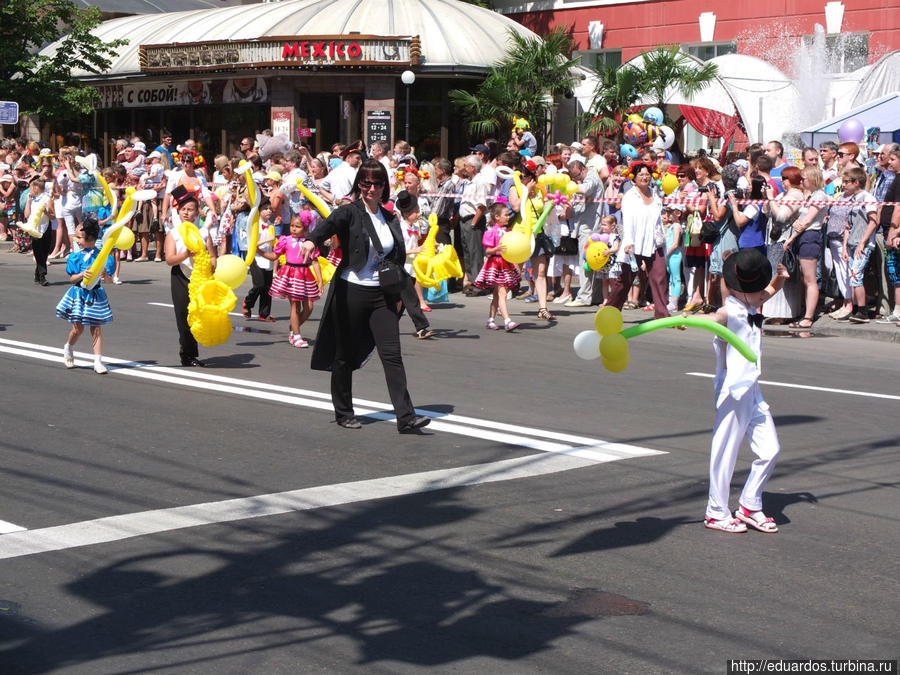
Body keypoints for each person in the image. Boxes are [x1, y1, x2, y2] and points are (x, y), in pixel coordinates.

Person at [300, 159, 430, 434]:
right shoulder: (350, 212)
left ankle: (406, 417)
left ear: (385, 187)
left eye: (377, 183)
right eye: (366, 183)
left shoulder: (390, 217)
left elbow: (396, 258)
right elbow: (330, 224)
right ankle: (344, 411)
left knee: (392, 354)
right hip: (351, 291)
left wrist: (397, 295)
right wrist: (311, 240)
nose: (371, 188)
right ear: (359, 184)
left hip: (381, 295)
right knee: (344, 354)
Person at [699, 248, 789, 533]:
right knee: (725, 451)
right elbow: (712, 320)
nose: (763, 292)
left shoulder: (751, 303)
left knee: (770, 449)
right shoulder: (728, 311)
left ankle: (749, 504)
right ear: (742, 289)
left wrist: (781, 277)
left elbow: (772, 290)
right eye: (757, 287)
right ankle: (716, 512)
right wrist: (685, 322)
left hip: (752, 389)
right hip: (732, 391)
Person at [606, 162, 670, 319]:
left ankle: (662, 314)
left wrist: (663, 239)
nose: (645, 177)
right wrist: (628, 243)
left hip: (653, 243)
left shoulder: (655, 195)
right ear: (634, 178)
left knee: (660, 277)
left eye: (647, 174)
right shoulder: (630, 197)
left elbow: (658, 221)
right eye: (641, 174)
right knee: (624, 281)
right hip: (633, 244)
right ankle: (609, 312)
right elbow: (627, 221)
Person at [164, 186, 218, 367]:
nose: (186, 213)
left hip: (200, 277)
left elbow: (212, 254)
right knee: (184, 316)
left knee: (198, 315)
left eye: (190, 210)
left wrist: (212, 266)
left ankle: (191, 352)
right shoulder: (173, 234)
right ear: (178, 211)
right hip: (180, 275)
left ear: (196, 213)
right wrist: (186, 254)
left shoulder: (203, 232)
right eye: (183, 209)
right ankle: (187, 354)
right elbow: (170, 260)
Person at [55, 216, 116, 374]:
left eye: (79, 237)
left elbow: (109, 281)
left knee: (96, 328)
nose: (76, 240)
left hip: (95, 294)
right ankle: (68, 346)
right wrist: (83, 273)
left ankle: (98, 361)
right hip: (79, 294)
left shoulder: (102, 257)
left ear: (90, 238)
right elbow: (71, 279)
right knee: (78, 329)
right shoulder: (76, 257)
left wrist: (105, 276)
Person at [263, 211, 322, 346]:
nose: (294, 229)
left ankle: (293, 327)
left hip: (305, 274)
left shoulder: (309, 243)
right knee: (295, 305)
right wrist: (259, 251)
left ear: (306, 228)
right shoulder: (286, 240)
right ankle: (296, 335)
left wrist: (320, 281)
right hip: (290, 273)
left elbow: (315, 261)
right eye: (292, 226)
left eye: (298, 226)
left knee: (309, 308)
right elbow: (274, 256)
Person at [781, 166, 828, 327]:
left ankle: (808, 316)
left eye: (804, 178)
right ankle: (804, 313)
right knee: (803, 277)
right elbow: (800, 219)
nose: (801, 181)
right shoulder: (810, 195)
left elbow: (807, 221)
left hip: (810, 236)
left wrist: (791, 238)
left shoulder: (820, 195)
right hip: (802, 236)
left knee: (810, 279)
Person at [564, 154, 603, 307]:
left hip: (590, 226)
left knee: (586, 261)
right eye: (574, 178)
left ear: (583, 168)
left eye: (578, 175)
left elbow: (586, 189)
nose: (577, 179)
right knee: (593, 262)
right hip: (585, 224)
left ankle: (584, 296)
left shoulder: (591, 177)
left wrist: (568, 186)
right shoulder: (584, 178)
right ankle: (595, 295)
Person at [841, 166, 880, 323]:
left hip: (862, 245)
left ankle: (863, 312)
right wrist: (844, 246)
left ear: (856, 182)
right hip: (851, 244)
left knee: (856, 276)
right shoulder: (851, 200)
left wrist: (863, 243)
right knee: (852, 278)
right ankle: (857, 308)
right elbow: (847, 226)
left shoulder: (867, 198)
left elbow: (874, 220)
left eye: (846, 182)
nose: (843, 185)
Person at [395, 190, 436, 340]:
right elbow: (397, 251)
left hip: (412, 269)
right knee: (412, 300)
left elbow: (420, 243)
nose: (418, 214)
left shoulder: (416, 227)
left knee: (402, 303)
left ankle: (388, 325)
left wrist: (432, 244)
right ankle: (422, 328)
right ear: (406, 214)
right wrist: (415, 250)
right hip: (402, 269)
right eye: (415, 212)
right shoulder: (399, 229)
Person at [475, 202, 521, 332]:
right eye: (506, 215)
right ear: (497, 217)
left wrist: (515, 264)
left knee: (497, 294)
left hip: (505, 264)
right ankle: (507, 321)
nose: (508, 217)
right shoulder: (491, 232)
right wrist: (497, 248)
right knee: (502, 293)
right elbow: (488, 251)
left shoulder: (508, 232)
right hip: (495, 264)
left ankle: (491, 320)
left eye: (508, 215)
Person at [241, 200, 277, 322]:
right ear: (259, 210)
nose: (269, 211)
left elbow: (273, 242)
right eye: (265, 208)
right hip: (255, 257)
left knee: (267, 288)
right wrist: (268, 239)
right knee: (259, 284)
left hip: (267, 258)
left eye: (270, 209)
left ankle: (264, 313)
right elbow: (251, 243)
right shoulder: (254, 225)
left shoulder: (271, 225)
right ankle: (248, 302)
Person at [23, 174, 55, 285]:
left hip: (45, 226)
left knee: (45, 250)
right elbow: (27, 215)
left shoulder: (47, 198)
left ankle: (38, 273)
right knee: (37, 251)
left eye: (32, 187)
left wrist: (46, 212)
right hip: (35, 227)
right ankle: (42, 275)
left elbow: (53, 215)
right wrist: (28, 201)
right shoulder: (32, 200)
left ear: (36, 187)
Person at [664, 205, 684, 312]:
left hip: (674, 255)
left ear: (678, 213)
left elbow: (675, 243)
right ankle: (672, 301)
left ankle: (675, 303)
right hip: (670, 255)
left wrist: (666, 254)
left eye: (671, 212)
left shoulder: (677, 226)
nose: (668, 215)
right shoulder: (672, 226)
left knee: (676, 278)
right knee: (672, 278)